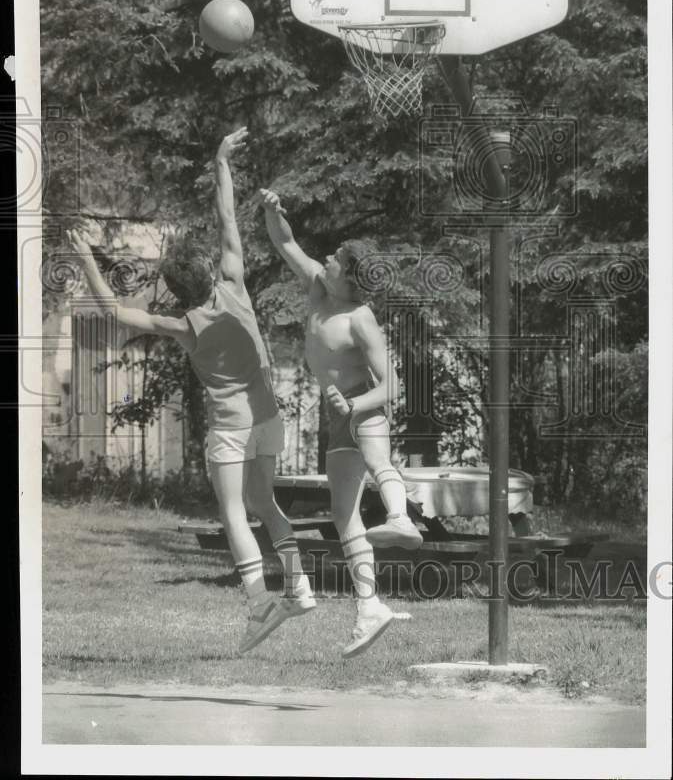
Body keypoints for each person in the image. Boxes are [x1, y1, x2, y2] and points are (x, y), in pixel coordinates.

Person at [68, 128, 315, 655]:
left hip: (230, 426)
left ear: (177, 289)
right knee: (264, 502)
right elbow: (228, 219)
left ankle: (260, 605)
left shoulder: (184, 325)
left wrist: (88, 257)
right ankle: (300, 585)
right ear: (207, 271)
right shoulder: (234, 283)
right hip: (268, 417)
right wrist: (220, 159)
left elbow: (113, 313)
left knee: (232, 514)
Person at [260, 187, 422, 658]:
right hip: (338, 415)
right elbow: (286, 243)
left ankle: (400, 518)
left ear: (349, 277)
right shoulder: (317, 286)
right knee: (343, 515)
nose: (325, 256)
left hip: (365, 406)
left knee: (377, 459)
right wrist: (273, 211)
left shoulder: (360, 319)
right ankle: (370, 609)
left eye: (334, 258)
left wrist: (355, 406)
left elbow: (393, 386)